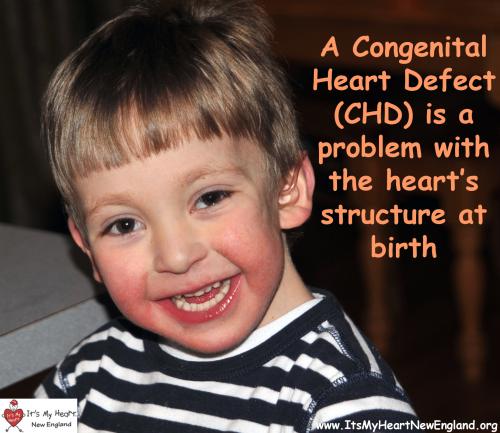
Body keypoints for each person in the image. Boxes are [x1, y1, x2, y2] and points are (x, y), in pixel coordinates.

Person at [35, 0, 419, 431]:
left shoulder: (349, 405)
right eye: (124, 225)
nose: (176, 256)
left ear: (287, 191)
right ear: (87, 246)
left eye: (210, 198)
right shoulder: (85, 373)